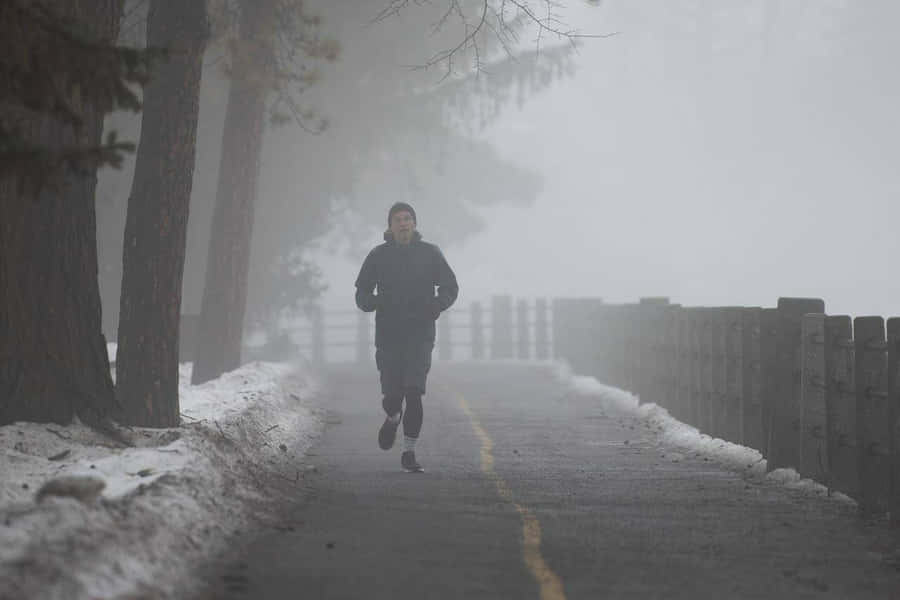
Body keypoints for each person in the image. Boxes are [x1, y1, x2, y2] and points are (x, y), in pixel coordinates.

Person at [355, 202, 459, 472]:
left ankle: (409, 453)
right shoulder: (378, 255)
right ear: (390, 226)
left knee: (414, 392)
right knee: (392, 396)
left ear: (414, 224)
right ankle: (393, 416)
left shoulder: (430, 253)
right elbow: (362, 291)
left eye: (408, 219)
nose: (403, 224)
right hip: (389, 335)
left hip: (420, 333)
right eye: (398, 220)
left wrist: (437, 304)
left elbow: (450, 286)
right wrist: (372, 302)